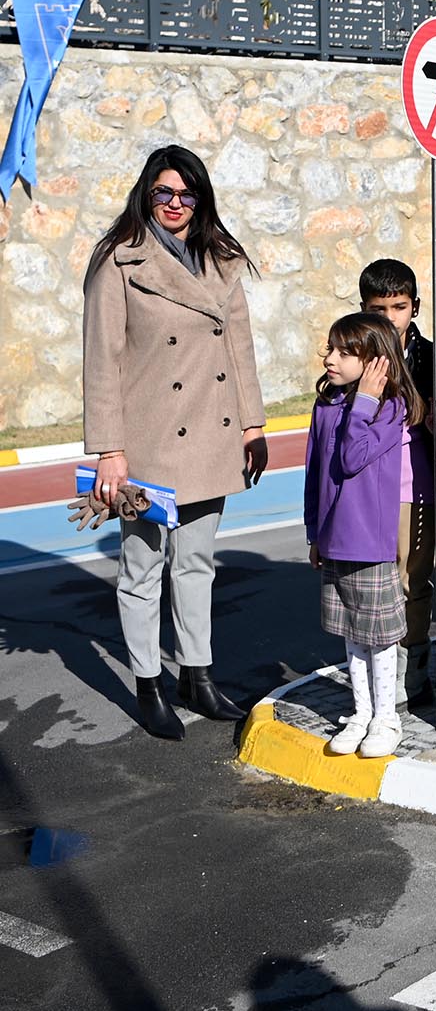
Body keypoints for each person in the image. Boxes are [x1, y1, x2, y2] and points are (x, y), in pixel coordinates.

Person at [82, 145, 269, 740]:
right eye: (164, 193)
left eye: (187, 195)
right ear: (147, 193)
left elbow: (237, 349)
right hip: (147, 445)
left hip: (211, 435)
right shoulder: (120, 262)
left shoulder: (221, 259)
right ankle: (148, 682)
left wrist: (254, 425)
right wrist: (110, 449)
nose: (175, 204)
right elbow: (102, 361)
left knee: (196, 564)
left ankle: (198, 673)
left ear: (201, 199)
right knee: (141, 568)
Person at [359, 257, 436, 713]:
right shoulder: (353, 350)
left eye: (398, 307)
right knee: (369, 584)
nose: (388, 318)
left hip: (417, 485)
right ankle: (373, 674)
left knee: (412, 582)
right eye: (378, 308)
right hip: (367, 487)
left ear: (415, 307)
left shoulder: (433, 355)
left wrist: (432, 412)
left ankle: (414, 673)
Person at [306, 313, 422, 760]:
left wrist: (367, 401)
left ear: (375, 363)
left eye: (344, 352)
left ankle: (386, 717)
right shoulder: (326, 405)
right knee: (350, 632)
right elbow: (315, 474)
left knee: (379, 635)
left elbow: (354, 457)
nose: (330, 359)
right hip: (333, 541)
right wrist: (314, 531)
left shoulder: (390, 409)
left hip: (370, 543)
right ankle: (361, 712)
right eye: (330, 349)